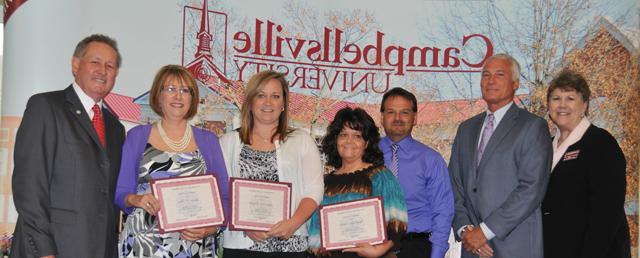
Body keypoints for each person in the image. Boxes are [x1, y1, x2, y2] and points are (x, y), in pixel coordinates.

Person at [11, 34, 126, 258]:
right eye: (95, 62)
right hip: (53, 248)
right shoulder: (45, 107)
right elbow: (30, 186)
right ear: (76, 64)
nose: (103, 70)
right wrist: (44, 251)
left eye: (110, 66)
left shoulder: (115, 128)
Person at [114, 65, 229, 257]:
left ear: (192, 98)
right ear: (158, 96)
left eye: (185, 90)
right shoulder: (137, 136)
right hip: (145, 245)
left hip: (194, 246)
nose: (178, 96)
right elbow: (120, 192)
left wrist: (210, 228)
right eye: (170, 89)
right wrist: (137, 199)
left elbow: (225, 197)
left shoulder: (209, 141)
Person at [448, 53, 552, 258]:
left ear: (515, 83)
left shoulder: (532, 126)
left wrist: (484, 231)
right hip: (472, 248)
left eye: (499, 74)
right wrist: (465, 230)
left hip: (516, 246)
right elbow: (454, 185)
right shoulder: (466, 129)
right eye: (485, 75)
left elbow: (532, 188)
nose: (491, 80)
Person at [220, 71, 324, 258]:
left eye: (275, 96)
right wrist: (244, 224)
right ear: (250, 101)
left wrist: (293, 223)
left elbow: (314, 190)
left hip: (290, 246)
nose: (268, 102)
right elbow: (223, 192)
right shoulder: (228, 142)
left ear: (283, 103)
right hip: (241, 246)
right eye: (261, 95)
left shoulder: (301, 140)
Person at [541, 70, 630, 258]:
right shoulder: (544, 147)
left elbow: (607, 214)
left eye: (570, 98)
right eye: (556, 98)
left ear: (585, 105)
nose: (562, 105)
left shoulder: (601, 144)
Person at [308, 107, 408, 258]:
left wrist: (378, 251)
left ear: (367, 143)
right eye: (343, 135)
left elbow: (397, 220)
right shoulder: (323, 183)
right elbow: (315, 231)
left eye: (357, 136)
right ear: (335, 140)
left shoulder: (381, 176)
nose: (349, 141)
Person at [378, 87, 454, 258]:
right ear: (381, 118)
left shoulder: (431, 160)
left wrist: (436, 255)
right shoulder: (367, 156)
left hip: (415, 248)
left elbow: (443, 211)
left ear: (415, 118)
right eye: (391, 112)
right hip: (371, 248)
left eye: (405, 112)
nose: (397, 118)